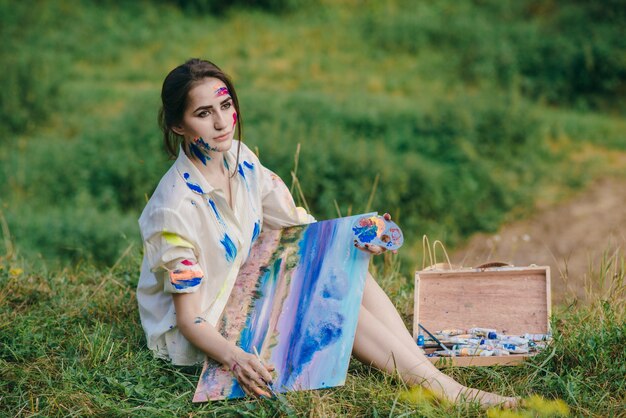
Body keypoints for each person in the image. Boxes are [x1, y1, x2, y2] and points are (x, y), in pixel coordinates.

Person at [137, 58, 518, 407]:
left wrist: (357, 234)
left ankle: (422, 368)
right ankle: (445, 390)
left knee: (342, 256)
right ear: (178, 125)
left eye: (225, 105)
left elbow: (298, 226)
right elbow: (189, 321)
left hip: (243, 287)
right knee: (320, 286)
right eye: (203, 113)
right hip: (206, 335)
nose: (222, 122)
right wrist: (236, 358)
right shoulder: (174, 209)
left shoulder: (241, 158)